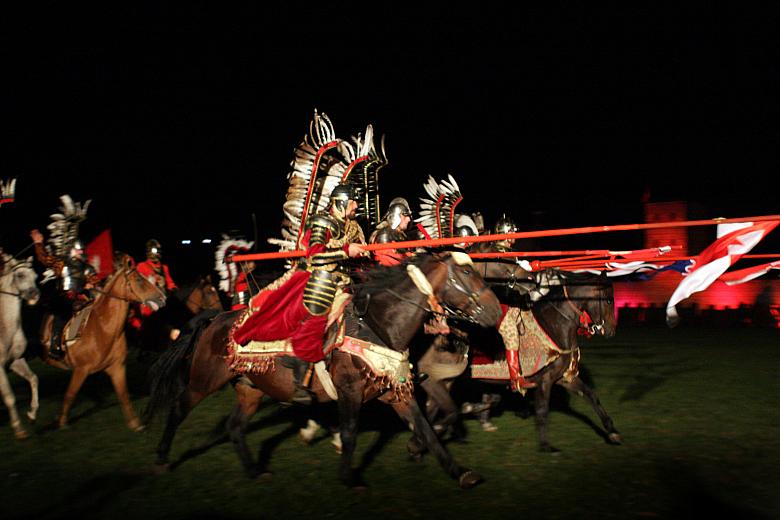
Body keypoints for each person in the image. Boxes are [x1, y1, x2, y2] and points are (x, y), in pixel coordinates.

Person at [232, 183, 366, 405]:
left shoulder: (352, 226)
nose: (356, 206)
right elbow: (314, 255)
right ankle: (299, 381)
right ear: (341, 202)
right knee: (313, 322)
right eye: (353, 202)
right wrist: (345, 251)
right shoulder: (323, 221)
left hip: (343, 282)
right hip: (317, 280)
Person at [31, 229, 99, 360]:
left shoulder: (87, 267)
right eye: (77, 250)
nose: (80, 252)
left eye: (81, 250)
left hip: (82, 297)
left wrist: (91, 284)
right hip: (63, 297)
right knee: (62, 313)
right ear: (71, 250)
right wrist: (39, 244)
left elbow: (94, 280)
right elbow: (45, 259)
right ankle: (55, 346)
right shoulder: (62, 263)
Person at [369, 197, 413, 265]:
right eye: (405, 216)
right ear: (396, 216)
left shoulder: (401, 235)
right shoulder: (385, 234)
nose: (408, 220)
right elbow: (387, 261)